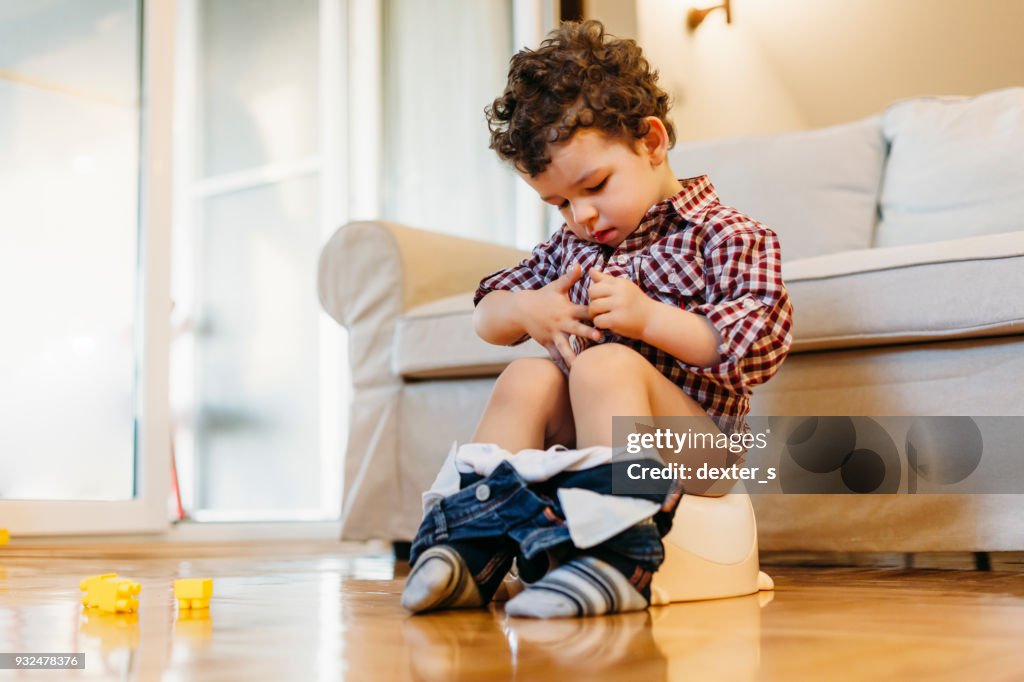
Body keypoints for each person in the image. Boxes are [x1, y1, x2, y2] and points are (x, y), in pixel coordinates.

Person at [400, 19, 793, 619]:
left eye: (594, 185)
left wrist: (647, 318)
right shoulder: (572, 248)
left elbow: (755, 347)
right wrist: (526, 309)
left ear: (652, 141)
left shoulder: (727, 236)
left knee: (607, 363)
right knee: (527, 377)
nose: (580, 215)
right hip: (586, 446)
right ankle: (473, 542)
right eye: (558, 203)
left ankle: (617, 553)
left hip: (698, 449)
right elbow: (487, 315)